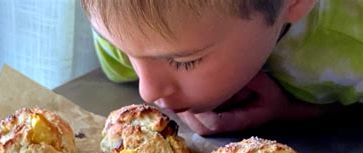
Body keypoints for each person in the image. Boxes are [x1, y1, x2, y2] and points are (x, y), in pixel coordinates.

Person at [80, 0, 363, 135]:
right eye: (122, 48)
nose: (148, 92)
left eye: (184, 61)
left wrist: (293, 112)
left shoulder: (352, 44)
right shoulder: (122, 16)